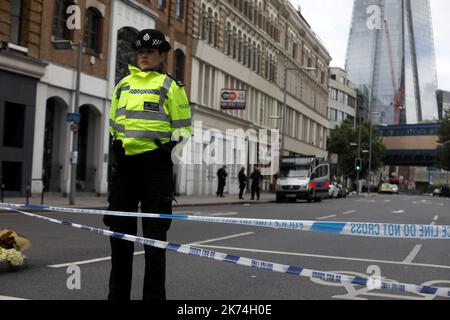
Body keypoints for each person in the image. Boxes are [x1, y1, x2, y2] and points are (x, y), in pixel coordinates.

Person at [104, 29, 192, 300]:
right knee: (120, 240)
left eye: (150, 52)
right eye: (140, 52)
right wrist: (117, 149)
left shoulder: (171, 87)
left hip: (156, 170)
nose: (144, 56)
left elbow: (184, 129)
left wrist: (167, 152)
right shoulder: (123, 85)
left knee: (154, 243)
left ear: (161, 55)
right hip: (125, 170)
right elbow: (113, 124)